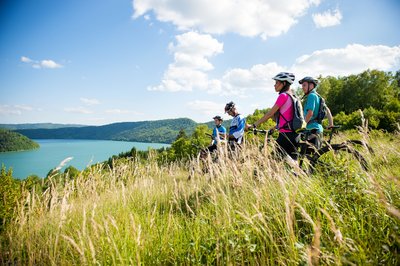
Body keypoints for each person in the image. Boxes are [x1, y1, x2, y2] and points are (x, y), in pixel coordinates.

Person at [246, 72, 299, 160]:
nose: (274, 85)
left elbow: (270, 113)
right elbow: (288, 117)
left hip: (285, 136)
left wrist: (254, 125)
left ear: (284, 83)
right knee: (293, 165)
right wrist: (275, 127)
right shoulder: (293, 96)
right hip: (295, 134)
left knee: (272, 164)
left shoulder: (283, 96)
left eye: (277, 83)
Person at [299, 76, 334, 149]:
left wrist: (303, 126)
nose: (302, 87)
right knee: (314, 157)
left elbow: (310, 113)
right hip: (318, 129)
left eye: (304, 85)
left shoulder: (311, 96)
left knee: (305, 155)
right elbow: (327, 110)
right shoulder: (319, 97)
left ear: (311, 85)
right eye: (302, 86)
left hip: (311, 130)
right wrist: (331, 124)